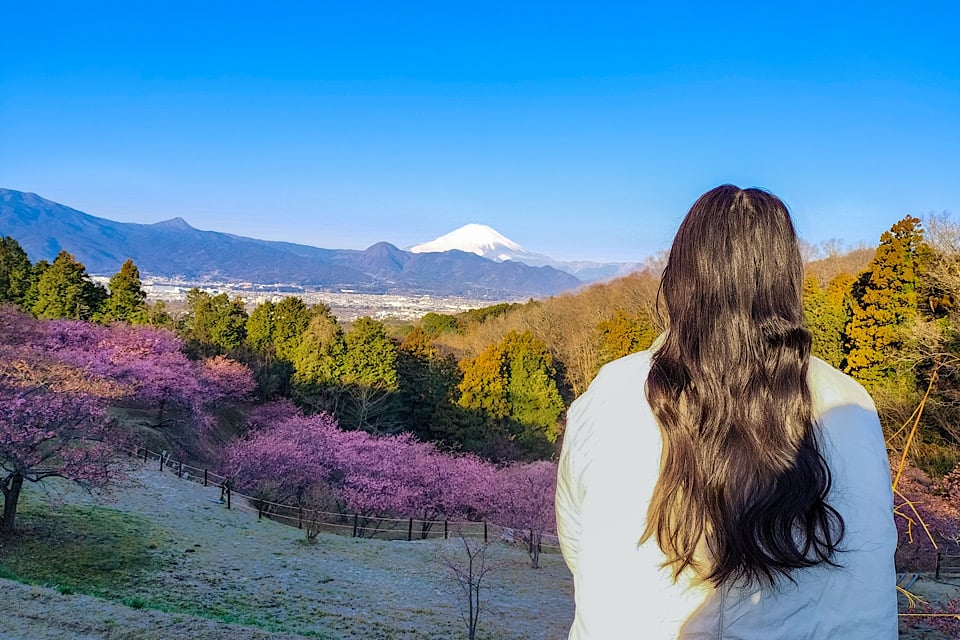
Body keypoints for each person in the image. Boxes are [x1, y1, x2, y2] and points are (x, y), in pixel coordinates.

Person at [556, 185, 897, 639]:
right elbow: (873, 547)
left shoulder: (612, 393)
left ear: (680, 275)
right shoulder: (850, 403)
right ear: (786, 280)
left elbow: (578, 543)